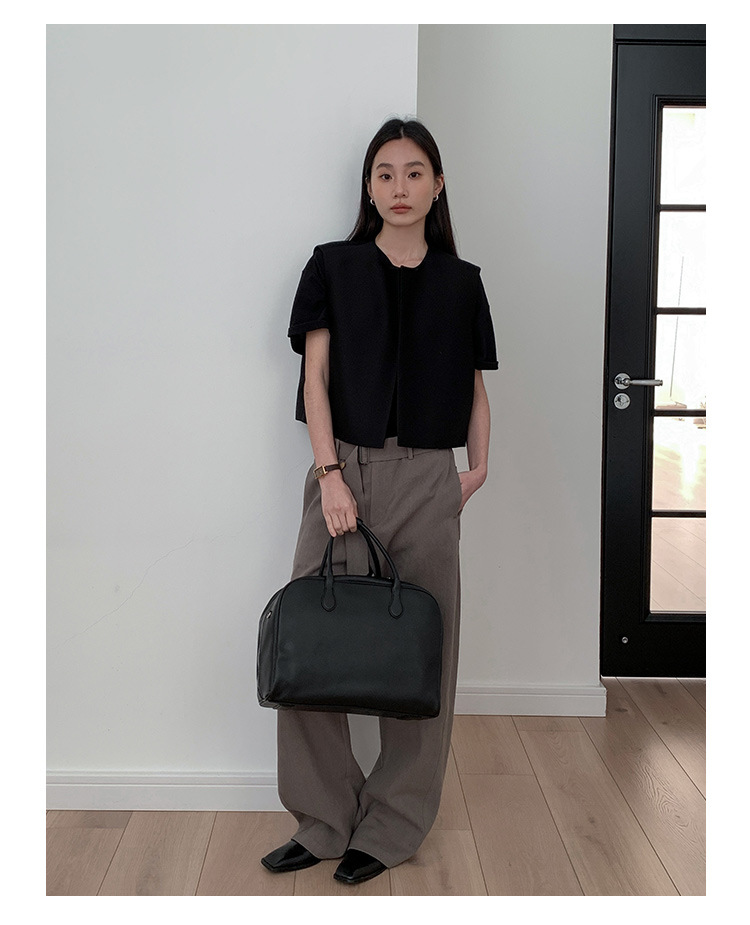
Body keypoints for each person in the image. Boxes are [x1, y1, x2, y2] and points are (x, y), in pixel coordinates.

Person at [261, 117, 499, 886]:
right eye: (385, 173)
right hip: (344, 469)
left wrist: (477, 470)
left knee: (424, 654)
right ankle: (323, 819)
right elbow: (314, 379)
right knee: (309, 640)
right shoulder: (332, 267)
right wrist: (330, 474)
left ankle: (393, 824)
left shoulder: (462, 282)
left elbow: (475, 387)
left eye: (414, 172)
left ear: (437, 184)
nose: (400, 187)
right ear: (368, 187)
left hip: (429, 478)